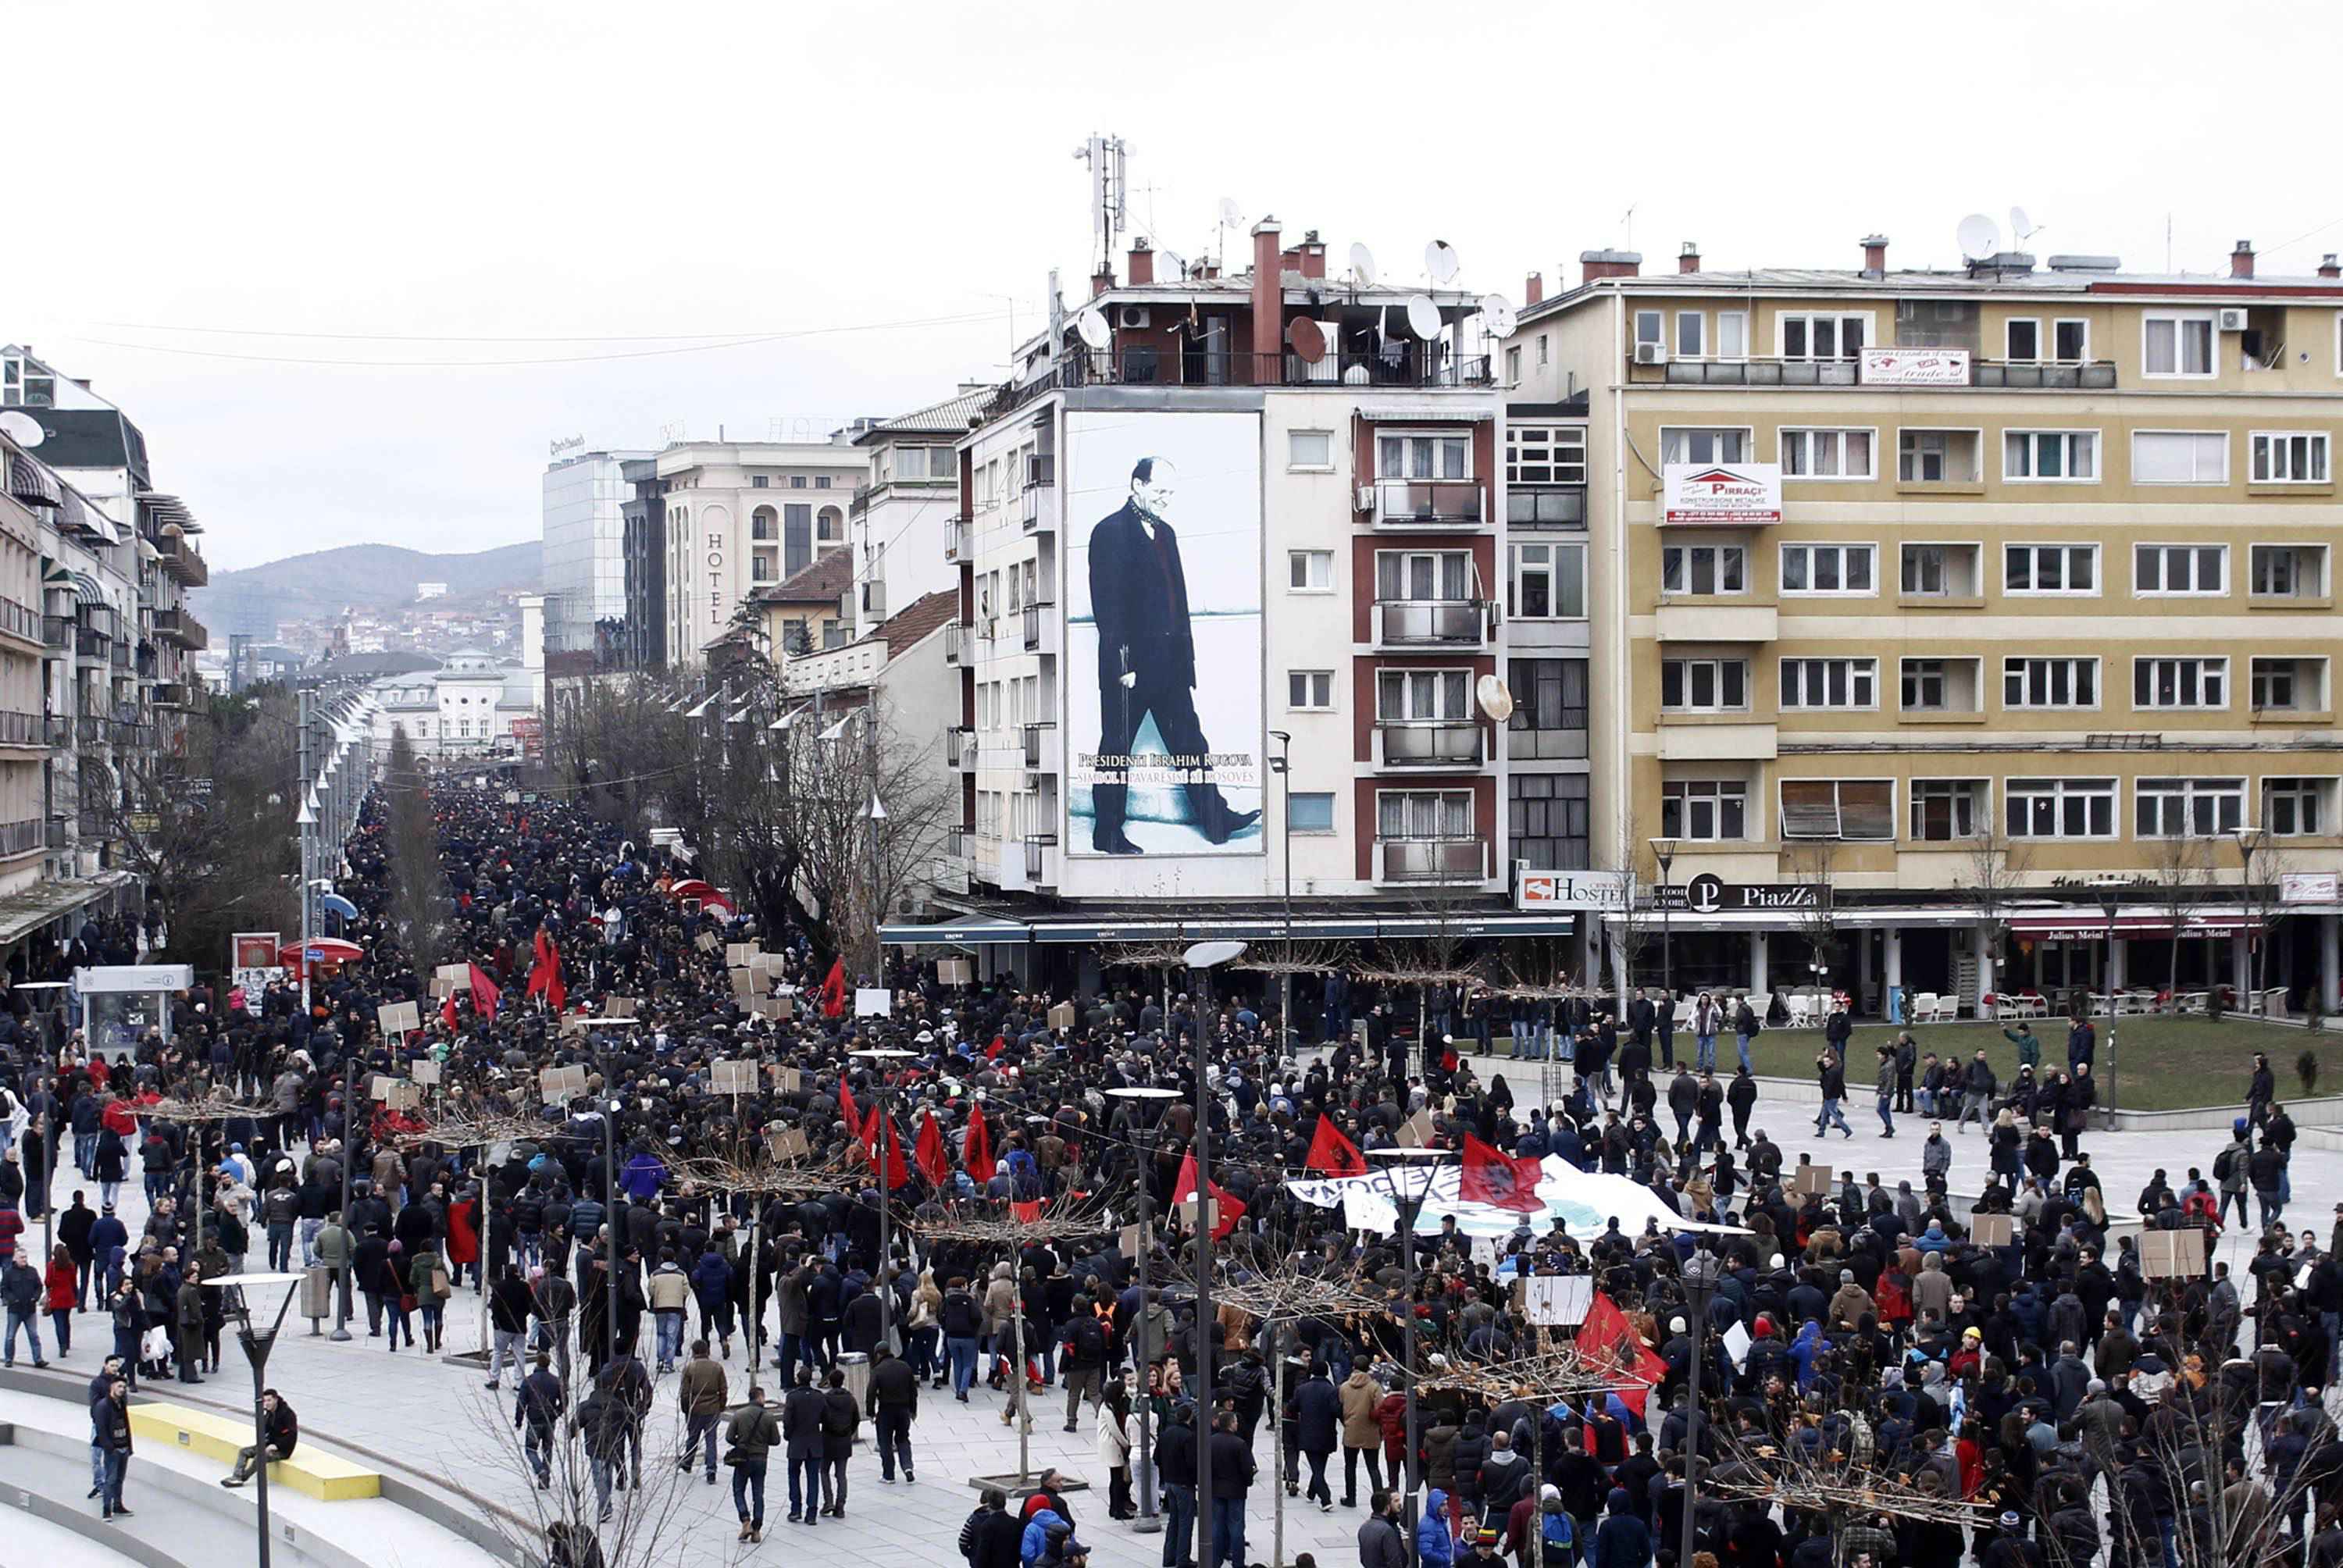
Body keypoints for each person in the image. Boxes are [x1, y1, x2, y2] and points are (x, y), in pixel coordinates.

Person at [1082, 456, 1262, 853]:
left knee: (1192, 744)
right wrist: (1122, 666)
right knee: (1115, 752)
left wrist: (1187, 662)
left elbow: (1176, 602)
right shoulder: (1109, 532)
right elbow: (1108, 607)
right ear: (1137, 486)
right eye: (1160, 491)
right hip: (1129, 670)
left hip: (1170, 666)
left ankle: (1218, 821)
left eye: (1171, 493)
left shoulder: (1168, 533)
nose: (1166, 500)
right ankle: (1107, 833)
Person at [723, 1384, 781, 1544]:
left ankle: (745, 1520)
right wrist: (762, 1442)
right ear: (760, 1398)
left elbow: (729, 1437)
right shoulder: (768, 1417)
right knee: (758, 1494)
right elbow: (776, 1441)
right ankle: (757, 1530)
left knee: (738, 1490)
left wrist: (740, 1443)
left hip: (743, 1459)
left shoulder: (739, 1415)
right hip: (761, 1459)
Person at [1207, 1409, 1256, 1568]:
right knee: (1236, 1527)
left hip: (1216, 1489)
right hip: (1235, 1490)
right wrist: (1249, 1481)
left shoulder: (1210, 1442)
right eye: (1235, 1422)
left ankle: (1215, 1560)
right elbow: (1247, 1469)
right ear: (1230, 1425)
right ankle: (1238, 1562)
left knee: (1217, 1525)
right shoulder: (1239, 1444)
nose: (1237, 1424)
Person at [220, 1389, 298, 1488]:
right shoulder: (269, 1413)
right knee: (244, 1452)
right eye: (265, 1401)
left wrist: (277, 1446)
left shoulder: (287, 1414)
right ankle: (236, 1477)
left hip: (282, 1450)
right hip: (268, 1445)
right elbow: (264, 1429)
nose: (267, 1404)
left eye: (269, 1401)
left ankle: (242, 1478)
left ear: (276, 1400)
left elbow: (292, 1435)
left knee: (260, 1457)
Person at [677, 1337, 729, 1484]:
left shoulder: (689, 1368)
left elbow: (685, 1393)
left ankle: (687, 1462)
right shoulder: (717, 1367)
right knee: (711, 1440)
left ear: (694, 1352)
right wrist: (721, 1406)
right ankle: (711, 1469)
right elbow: (723, 1390)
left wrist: (686, 1409)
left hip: (695, 1408)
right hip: (712, 1409)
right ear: (707, 1351)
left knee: (693, 1437)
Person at [781, 1366, 827, 1526]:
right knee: (813, 1478)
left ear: (798, 1379)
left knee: (793, 1475)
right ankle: (812, 1512)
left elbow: (787, 1420)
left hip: (796, 1442)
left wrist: (788, 1435)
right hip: (814, 1441)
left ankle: (796, 1509)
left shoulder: (792, 1397)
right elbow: (825, 1418)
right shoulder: (819, 1396)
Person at [868, 1340, 919, 1484]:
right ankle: (908, 1467)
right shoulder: (904, 1367)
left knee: (885, 1442)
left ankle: (889, 1474)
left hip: (886, 1411)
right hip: (903, 1410)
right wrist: (913, 1410)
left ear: (878, 1354)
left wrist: (871, 1412)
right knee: (903, 1439)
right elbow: (913, 1391)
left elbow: (871, 1392)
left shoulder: (878, 1370)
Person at [515, 1352, 563, 1488]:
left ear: (537, 1363)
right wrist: (556, 1414)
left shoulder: (529, 1381)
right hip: (549, 1420)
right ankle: (545, 1479)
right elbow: (564, 1402)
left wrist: (519, 1420)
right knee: (548, 1449)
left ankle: (540, 1470)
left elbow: (521, 1403)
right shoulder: (555, 1381)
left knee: (531, 1449)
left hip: (534, 1419)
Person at [819, 1363, 858, 1516]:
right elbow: (856, 1419)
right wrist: (849, 1433)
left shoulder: (825, 1399)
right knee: (841, 1475)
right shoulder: (850, 1399)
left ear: (830, 1381)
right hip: (844, 1441)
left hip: (828, 1440)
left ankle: (828, 1501)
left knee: (824, 1471)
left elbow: (821, 1417)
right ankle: (840, 1505)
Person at [94, 1374, 134, 1520]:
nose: (122, 1389)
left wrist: (129, 1446)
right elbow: (101, 1429)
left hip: (123, 1447)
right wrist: (110, 1447)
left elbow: (127, 1425)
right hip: (113, 1449)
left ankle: (118, 1505)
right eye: (119, 1386)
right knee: (111, 1479)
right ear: (112, 1387)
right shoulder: (103, 1406)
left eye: (124, 1387)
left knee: (119, 1479)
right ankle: (106, 1510)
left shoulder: (122, 1403)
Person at [2, 1248, 47, 1366]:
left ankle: (38, 1359)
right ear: (15, 1259)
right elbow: (4, 1289)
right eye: (22, 1257)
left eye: (25, 1257)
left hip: (29, 1309)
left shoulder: (32, 1271)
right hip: (15, 1310)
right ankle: (8, 1359)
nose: (24, 1260)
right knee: (10, 1336)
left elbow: (39, 1286)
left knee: (34, 1335)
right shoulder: (9, 1273)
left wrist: (35, 1298)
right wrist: (12, 1300)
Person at [1359, 1488, 1408, 1568]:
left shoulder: (1364, 1527)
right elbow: (1394, 1560)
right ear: (1388, 1507)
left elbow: (1363, 1558)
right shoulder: (1387, 1530)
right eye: (1396, 1501)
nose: (1400, 1504)